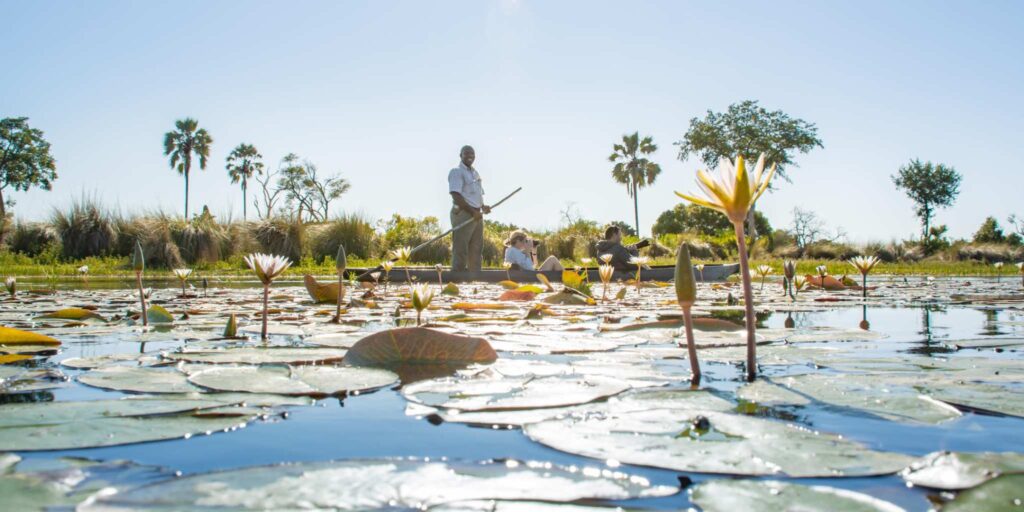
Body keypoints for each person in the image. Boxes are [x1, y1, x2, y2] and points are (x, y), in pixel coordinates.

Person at [449, 145, 491, 272]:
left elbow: (477, 195)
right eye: (466, 153)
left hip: (477, 214)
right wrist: (472, 212)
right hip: (464, 213)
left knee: (477, 247)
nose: (469, 156)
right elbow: (456, 195)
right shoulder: (456, 171)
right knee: (461, 247)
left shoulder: (475, 173)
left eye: (472, 154)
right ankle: (457, 275)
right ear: (460, 155)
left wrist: (483, 207)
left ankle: (475, 276)